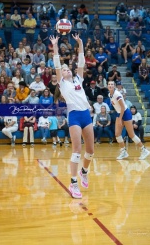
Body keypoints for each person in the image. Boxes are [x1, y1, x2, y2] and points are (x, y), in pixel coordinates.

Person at [50, 33, 94, 199]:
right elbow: (56, 63)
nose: (66, 70)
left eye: (68, 68)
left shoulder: (78, 80)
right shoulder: (62, 83)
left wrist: (81, 43)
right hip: (74, 116)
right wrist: (55, 46)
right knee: (77, 150)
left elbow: (81, 62)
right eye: (64, 69)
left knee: (90, 151)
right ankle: (73, 183)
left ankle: (84, 171)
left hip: (86, 114)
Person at [107, 80, 150, 160]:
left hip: (125, 113)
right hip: (119, 113)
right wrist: (119, 117)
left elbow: (123, 107)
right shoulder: (110, 94)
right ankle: (123, 152)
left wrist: (120, 119)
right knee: (117, 134)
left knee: (131, 135)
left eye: (112, 84)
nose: (110, 85)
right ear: (107, 86)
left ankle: (144, 150)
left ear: (114, 86)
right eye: (109, 84)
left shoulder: (117, 94)